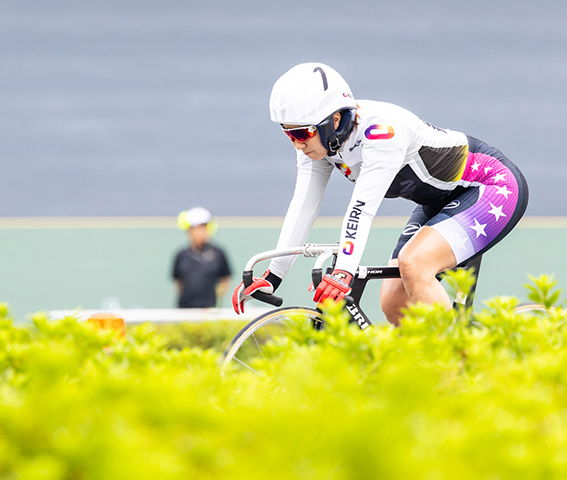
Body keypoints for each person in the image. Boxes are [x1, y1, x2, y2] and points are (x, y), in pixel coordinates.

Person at [232, 62, 528, 325]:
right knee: (393, 303)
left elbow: (361, 207)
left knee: (414, 264)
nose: (297, 144)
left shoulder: (382, 132)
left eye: (301, 133)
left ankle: (462, 365)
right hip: (439, 200)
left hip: (490, 186)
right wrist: (273, 277)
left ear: (334, 121)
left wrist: (344, 272)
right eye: (288, 134)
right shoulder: (321, 143)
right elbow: (304, 205)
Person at [172, 207, 232, 308]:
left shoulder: (218, 253)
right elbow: (178, 284)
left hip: (210, 310)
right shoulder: (180, 255)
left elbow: (225, 280)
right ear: (189, 230)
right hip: (184, 310)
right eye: (199, 227)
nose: (202, 231)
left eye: (205, 227)